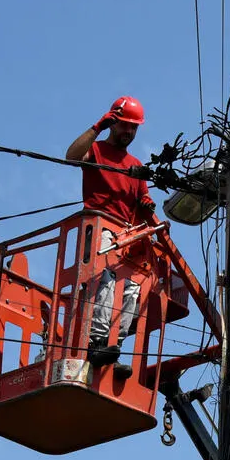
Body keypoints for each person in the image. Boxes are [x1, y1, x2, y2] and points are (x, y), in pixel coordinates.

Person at [65, 96, 157, 377]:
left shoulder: (136, 166)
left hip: (126, 236)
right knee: (106, 283)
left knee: (132, 290)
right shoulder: (96, 150)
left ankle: (111, 347)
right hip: (100, 229)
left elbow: (144, 200)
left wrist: (148, 208)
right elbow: (70, 156)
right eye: (125, 126)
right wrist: (97, 126)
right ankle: (95, 344)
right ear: (113, 123)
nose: (129, 132)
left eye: (134, 128)